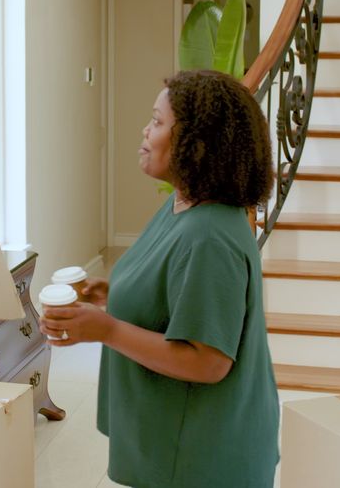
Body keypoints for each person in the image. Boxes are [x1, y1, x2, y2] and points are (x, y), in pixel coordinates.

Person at [39, 70, 279, 487]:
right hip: (180, 444)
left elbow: (209, 361)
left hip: (202, 458)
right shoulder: (184, 204)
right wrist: (110, 295)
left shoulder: (209, 235)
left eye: (157, 121)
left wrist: (108, 329)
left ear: (197, 140)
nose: (145, 131)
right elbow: (176, 299)